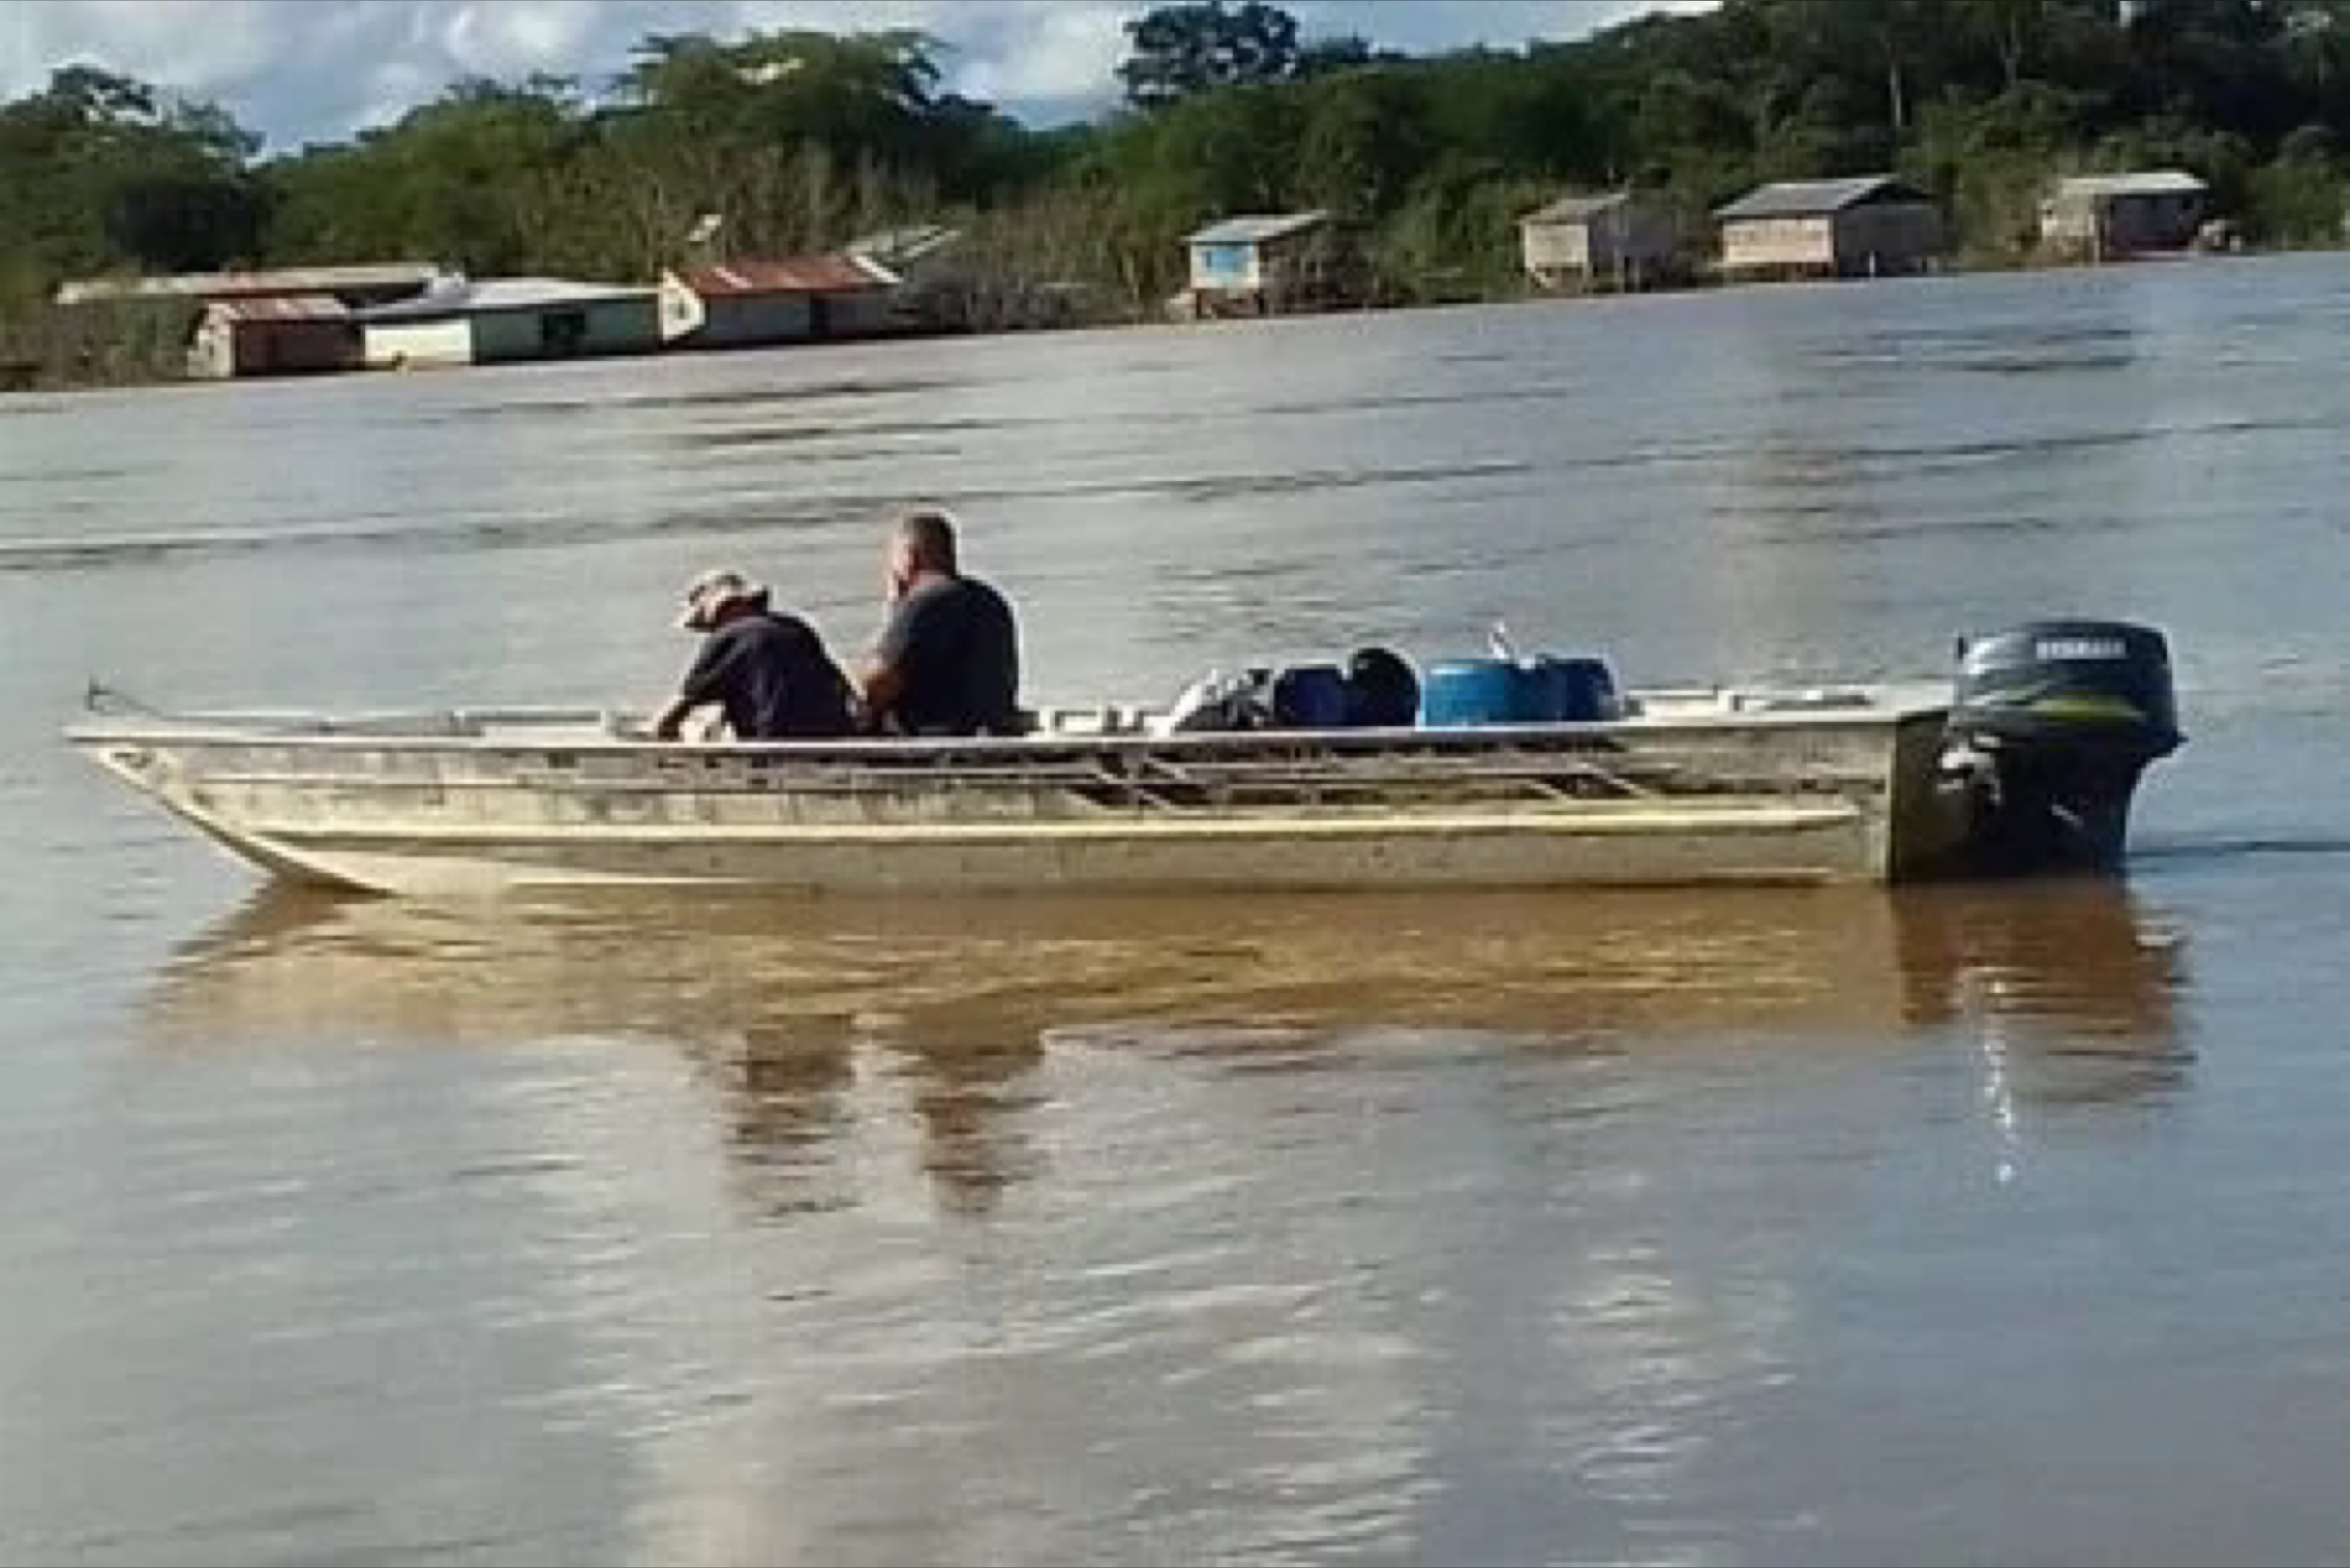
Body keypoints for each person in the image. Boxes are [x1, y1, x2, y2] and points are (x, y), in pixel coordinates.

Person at [855, 509, 1022, 736]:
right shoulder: (990, 599)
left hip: (936, 741)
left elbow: (874, 687)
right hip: (993, 731)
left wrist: (894, 609)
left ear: (909, 557)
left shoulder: (925, 602)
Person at [653, 568, 854, 742]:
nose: (709, 631)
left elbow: (667, 719)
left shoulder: (727, 637)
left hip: (775, 746)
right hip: (833, 734)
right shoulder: (795, 626)